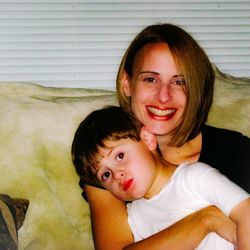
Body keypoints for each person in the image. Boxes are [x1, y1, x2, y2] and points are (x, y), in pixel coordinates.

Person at [79, 23, 250, 249]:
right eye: (150, 79)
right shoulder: (109, 167)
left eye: (179, 82)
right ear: (127, 83)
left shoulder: (236, 151)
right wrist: (204, 221)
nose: (163, 96)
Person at [71, 106, 250, 250]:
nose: (118, 175)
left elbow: (246, 212)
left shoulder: (194, 177)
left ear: (148, 139)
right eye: (106, 174)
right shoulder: (133, 219)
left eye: (119, 156)